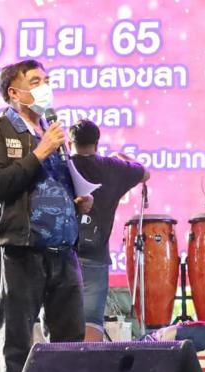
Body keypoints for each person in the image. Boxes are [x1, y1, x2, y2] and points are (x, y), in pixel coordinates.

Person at [0, 59, 92, 372]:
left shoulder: (51, 131)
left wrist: (76, 203)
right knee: (15, 343)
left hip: (63, 251)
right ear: (14, 93)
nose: (45, 87)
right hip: (19, 249)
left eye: (47, 80)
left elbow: (53, 186)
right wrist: (40, 152)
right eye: (35, 81)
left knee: (70, 344)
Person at [69, 119, 150, 342]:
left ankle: (59, 364)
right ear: (97, 143)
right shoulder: (114, 168)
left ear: (70, 143)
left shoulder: (61, 165)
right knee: (92, 321)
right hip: (96, 256)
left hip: (63, 255)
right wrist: (121, 157)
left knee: (58, 319)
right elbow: (145, 173)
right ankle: (86, 363)